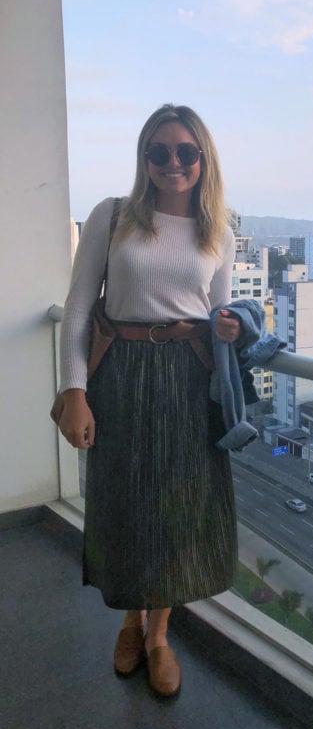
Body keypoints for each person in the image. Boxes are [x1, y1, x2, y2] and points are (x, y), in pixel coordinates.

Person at [58, 104, 241, 697]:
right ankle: (129, 622)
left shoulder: (220, 232)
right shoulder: (113, 218)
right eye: (159, 152)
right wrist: (74, 392)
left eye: (186, 152)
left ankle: (159, 635)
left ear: (203, 159)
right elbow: (80, 310)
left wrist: (233, 327)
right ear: (144, 159)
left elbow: (218, 314)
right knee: (125, 498)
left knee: (178, 510)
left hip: (189, 380)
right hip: (122, 373)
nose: (173, 163)